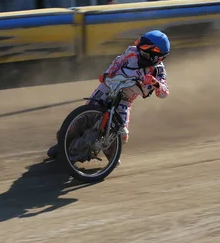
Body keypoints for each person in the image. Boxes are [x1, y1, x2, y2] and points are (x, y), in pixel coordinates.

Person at [47, 29, 170, 164]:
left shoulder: (159, 70)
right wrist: (108, 73)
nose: (139, 54)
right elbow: (118, 61)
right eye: (140, 50)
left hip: (124, 100)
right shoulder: (131, 52)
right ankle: (62, 145)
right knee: (85, 116)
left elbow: (164, 93)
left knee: (122, 135)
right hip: (108, 87)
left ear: (156, 57)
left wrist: (155, 83)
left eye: (144, 54)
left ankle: (110, 155)